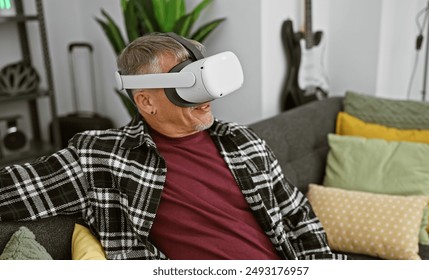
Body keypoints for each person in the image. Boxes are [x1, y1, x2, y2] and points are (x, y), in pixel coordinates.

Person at [0, 32, 347, 260]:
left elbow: (297, 215)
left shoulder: (244, 142)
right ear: (147, 102)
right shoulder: (100, 157)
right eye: (192, 84)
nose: (209, 96)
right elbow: (9, 191)